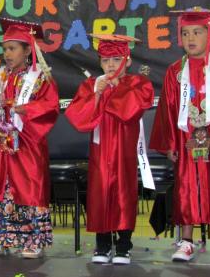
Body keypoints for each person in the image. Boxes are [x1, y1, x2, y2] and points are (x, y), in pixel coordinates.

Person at [0, 18, 59, 259]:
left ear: (28, 50)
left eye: (12, 49)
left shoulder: (40, 78)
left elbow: (50, 106)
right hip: (1, 145)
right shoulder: (0, 78)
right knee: (0, 188)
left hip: (27, 144)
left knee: (28, 187)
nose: (7, 54)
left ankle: (32, 241)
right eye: (4, 49)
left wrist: (27, 110)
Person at [149, 7, 210, 263]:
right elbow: (168, 111)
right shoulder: (175, 72)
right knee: (186, 188)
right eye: (185, 33)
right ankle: (186, 241)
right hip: (186, 141)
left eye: (197, 32)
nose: (191, 38)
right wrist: (170, 143)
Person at [65, 34, 154, 264]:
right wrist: (97, 94)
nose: (111, 65)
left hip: (124, 151)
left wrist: (117, 89)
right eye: (105, 60)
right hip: (100, 151)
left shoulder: (138, 84)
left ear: (128, 59)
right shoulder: (92, 84)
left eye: (116, 59)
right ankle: (102, 245)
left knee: (125, 193)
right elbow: (78, 118)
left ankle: (124, 245)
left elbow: (132, 110)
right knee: (99, 193)